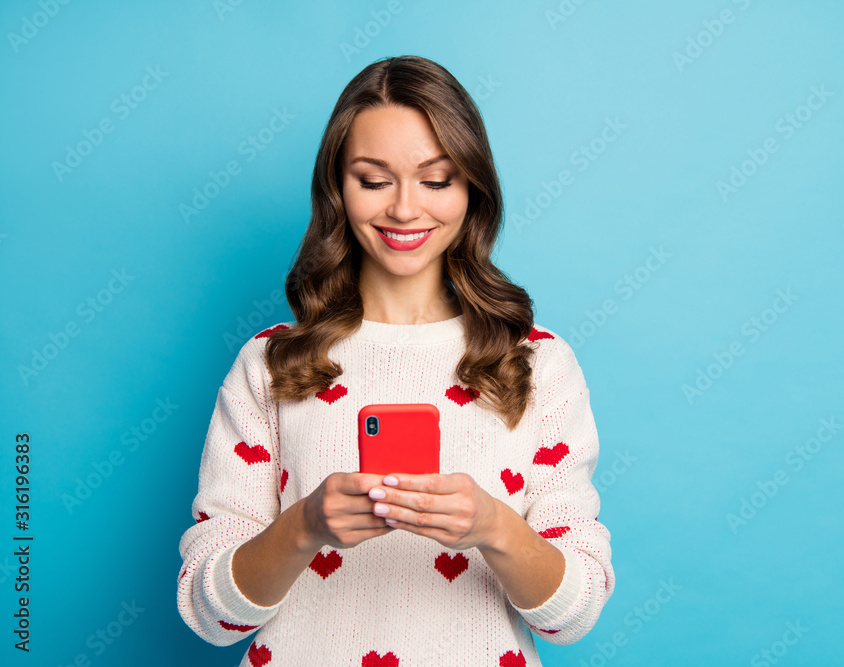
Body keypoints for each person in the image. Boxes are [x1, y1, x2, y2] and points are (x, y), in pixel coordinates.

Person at [176, 54, 614, 666]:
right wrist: (305, 526)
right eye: (374, 180)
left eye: (436, 181)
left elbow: (578, 611)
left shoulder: (537, 363)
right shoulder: (271, 363)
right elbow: (208, 613)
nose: (405, 209)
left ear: (472, 189)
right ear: (337, 187)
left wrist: (494, 527)